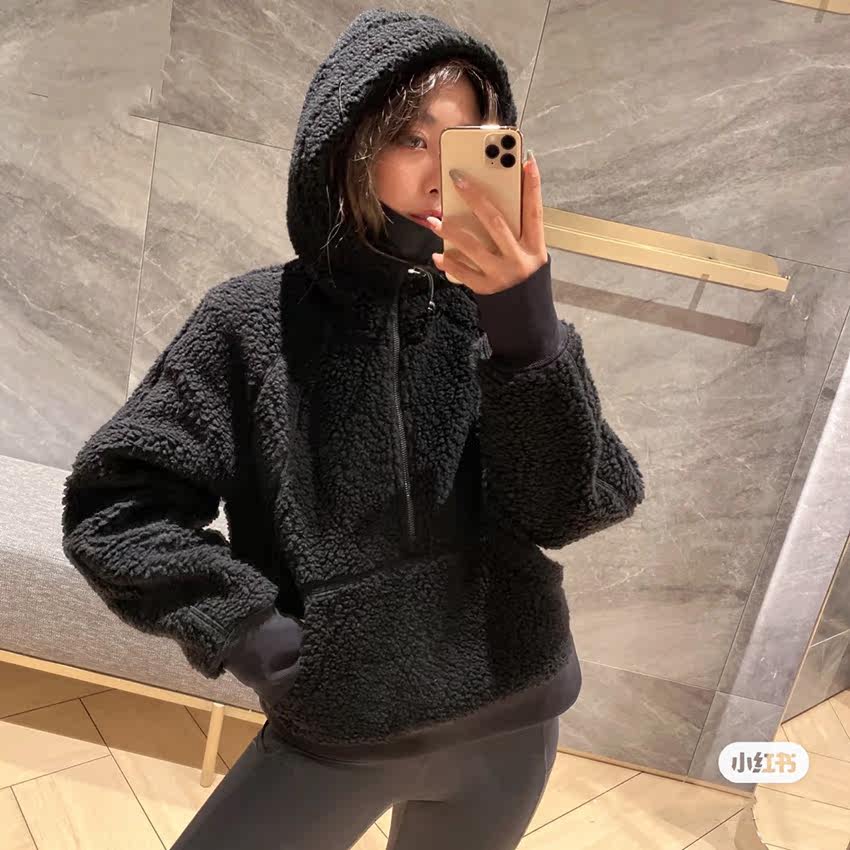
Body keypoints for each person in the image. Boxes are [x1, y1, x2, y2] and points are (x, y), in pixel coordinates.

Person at [60, 8, 645, 849]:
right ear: (347, 149)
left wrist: (527, 331)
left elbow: (576, 506)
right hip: (338, 731)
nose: (442, 171)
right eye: (411, 138)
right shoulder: (253, 323)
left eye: (467, 141)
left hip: (514, 715)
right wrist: (259, 638)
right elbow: (115, 511)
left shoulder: (508, 326)